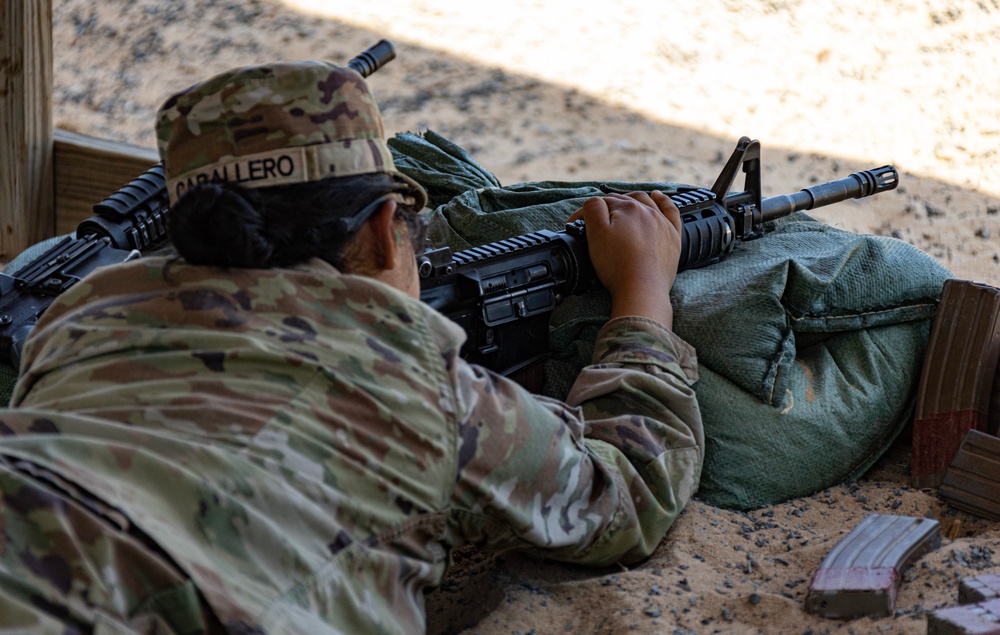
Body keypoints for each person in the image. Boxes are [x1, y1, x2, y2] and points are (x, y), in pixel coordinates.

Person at [0, 59, 703, 634]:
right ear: (379, 228)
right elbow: (630, 488)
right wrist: (644, 291)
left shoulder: (77, 319)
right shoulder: (413, 375)